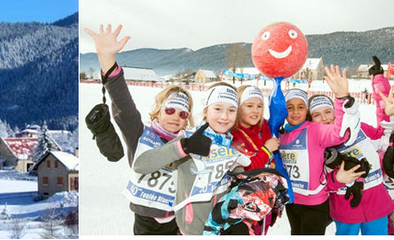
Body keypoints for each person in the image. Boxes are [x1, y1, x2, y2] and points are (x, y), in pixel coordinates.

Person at [84, 24, 195, 235]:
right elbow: (123, 103)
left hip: (178, 221)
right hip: (146, 223)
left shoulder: (189, 142)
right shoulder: (141, 135)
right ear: (158, 112)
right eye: (170, 109)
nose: (175, 117)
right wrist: (106, 58)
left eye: (183, 114)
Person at [133, 82, 249, 235]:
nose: (224, 116)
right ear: (206, 111)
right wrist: (183, 147)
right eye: (218, 109)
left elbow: (232, 191)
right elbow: (141, 165)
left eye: (231, 110)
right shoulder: (189, 138)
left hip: (218, 231)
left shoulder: (230, 148)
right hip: (189, 231)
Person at [279, 65, 364, 235]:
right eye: (290, 107)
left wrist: (341, 99)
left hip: (315, 205)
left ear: (306, 111)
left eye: (301, 107)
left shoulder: (314, 130)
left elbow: (339, 133)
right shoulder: (282, 135)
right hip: (292, 202)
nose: (295, 112)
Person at [306, 89, 394, 235]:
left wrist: (389, 114)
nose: (324, 118)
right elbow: (317, 184)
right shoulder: (315, 145)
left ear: (336, 112)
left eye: (328, 112)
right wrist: (337, 179)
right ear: (310, 120)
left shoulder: (359, 129)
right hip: (346, 210)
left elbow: (386, 141)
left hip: (376, 205)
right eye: (317, 115)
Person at [228, 85, 282, 235]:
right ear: (238, 107)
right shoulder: (233, 134)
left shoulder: (264, 126)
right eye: (249, 106)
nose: (255, 110)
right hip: (245, 205)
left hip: (266, 198)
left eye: (259, 106)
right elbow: (246, 170)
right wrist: (266, 150)